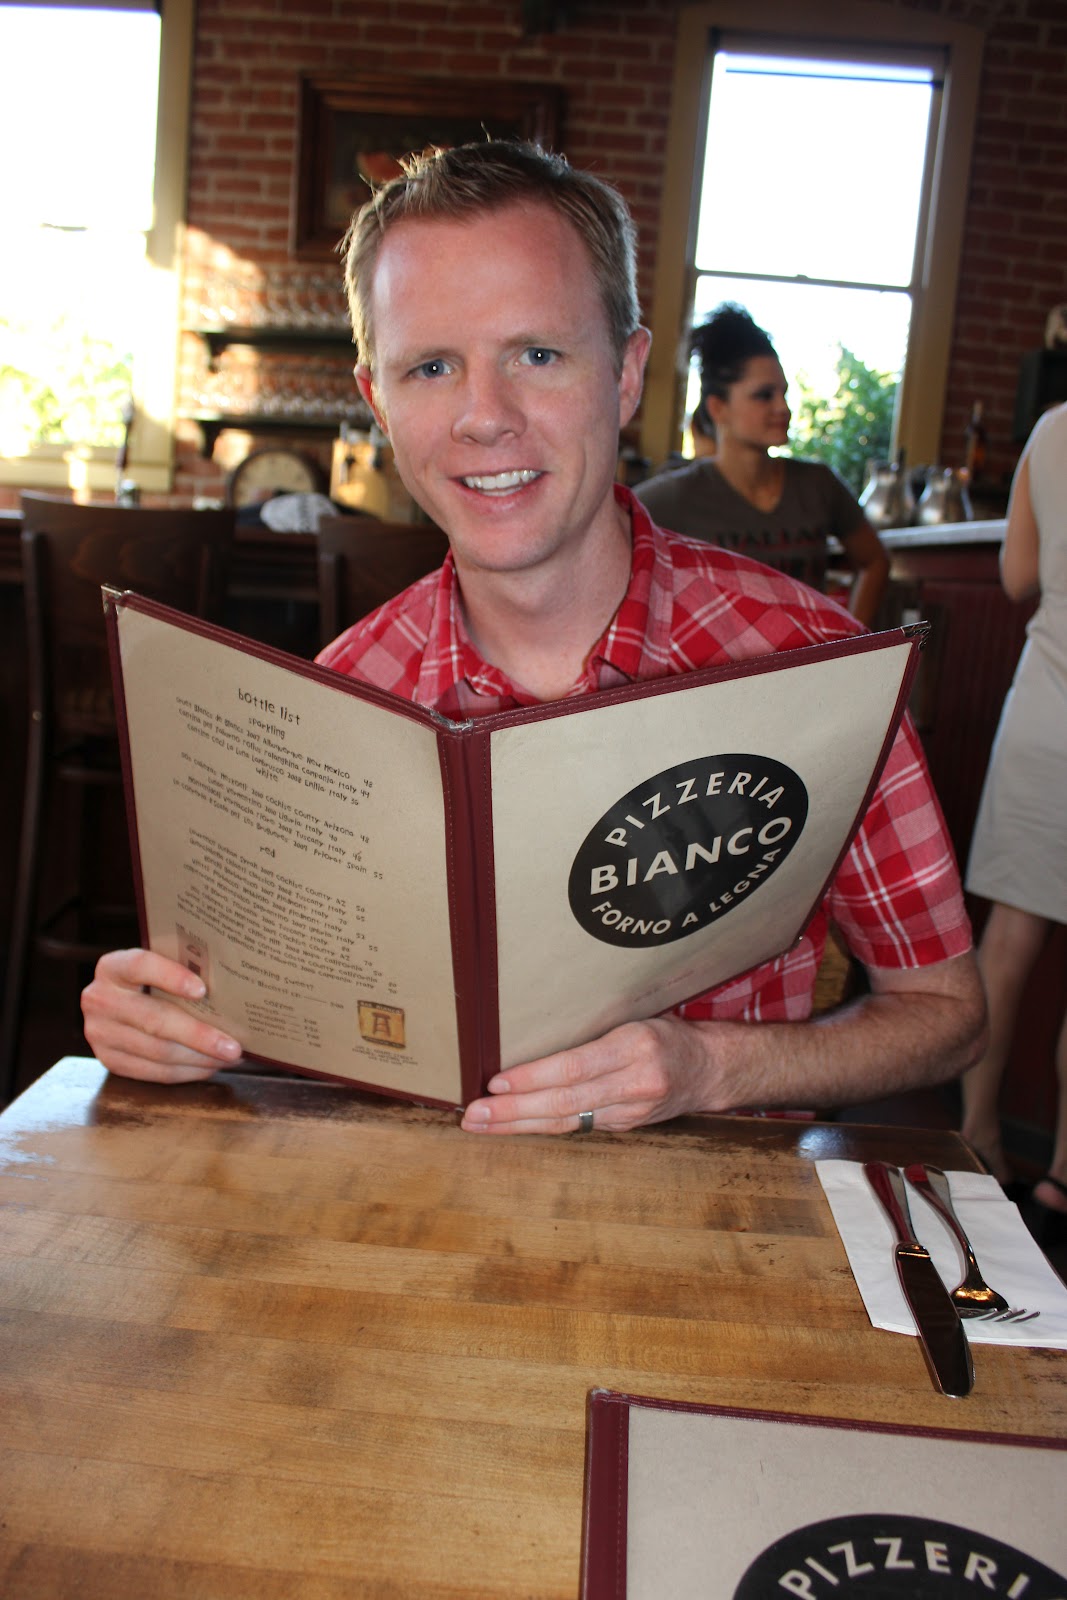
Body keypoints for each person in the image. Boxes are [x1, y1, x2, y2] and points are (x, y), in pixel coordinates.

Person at [81, 141, 985, 1135]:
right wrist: (168, 1028)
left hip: (721, 1236)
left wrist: (711, 1067)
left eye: (537, 355)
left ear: (626, 373)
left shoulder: (803, 654)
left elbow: (944, 1017)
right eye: (431, 366)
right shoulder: (332, 703)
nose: (483, 417)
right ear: (379, 403)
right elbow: (273, 1040)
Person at [960, 402, 1067, 1207]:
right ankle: (1062, 1175)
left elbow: (1015, 577)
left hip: (1045, 708)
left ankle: (975, 1136)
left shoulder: (1053, 426)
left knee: (1010, 936)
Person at [636, 304, 889, 627]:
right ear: (718, 408)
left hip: (811, 671)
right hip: (721, 674)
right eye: (764, 395)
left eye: (784, 393)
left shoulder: (818, 485)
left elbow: (875, 561)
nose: (782, 407)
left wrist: (854, 644)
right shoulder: (673, 496)